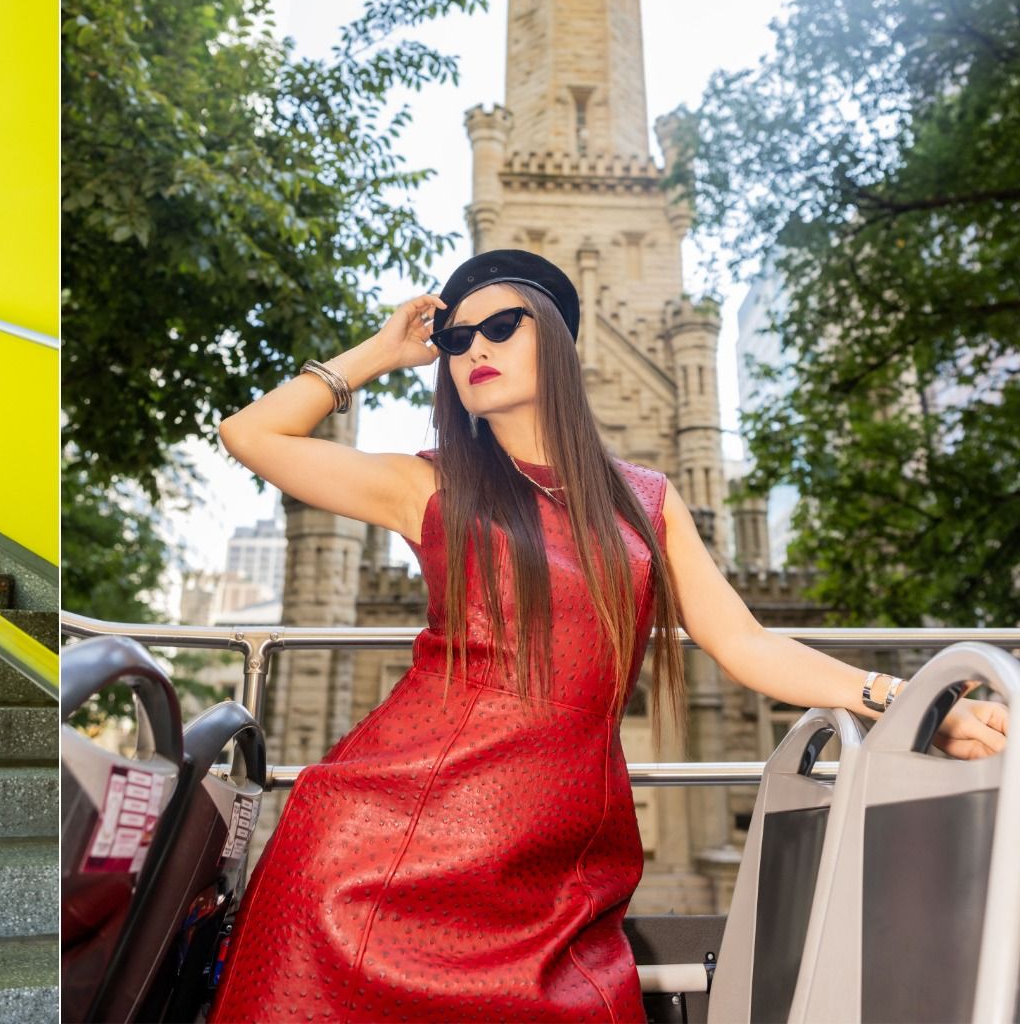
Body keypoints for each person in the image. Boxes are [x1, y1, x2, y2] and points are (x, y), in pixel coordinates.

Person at [205, 250, 1010, 1020]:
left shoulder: (647, 501)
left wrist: (908, 704)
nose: (473, 349)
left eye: (501, 327)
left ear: (555, 342)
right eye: (456, 340)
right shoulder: (430, 482)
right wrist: (382, 350)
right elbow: (252, 435)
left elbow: (745, 643)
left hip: (556, 859)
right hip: (382, 844)